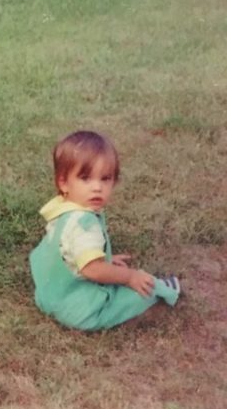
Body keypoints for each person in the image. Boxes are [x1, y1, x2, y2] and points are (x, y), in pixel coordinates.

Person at [29, 130, 181, 331]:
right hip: (78, 309)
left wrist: (103, 258)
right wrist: (129, 277)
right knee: (139, 292)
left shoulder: (62, 208)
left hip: (49, 294)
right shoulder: (85, 224)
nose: (97, 188)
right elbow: (92, 270)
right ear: (63, 182)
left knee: (105, 269)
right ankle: (164, 290)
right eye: (85, 178)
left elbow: (67, 250)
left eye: (105, 178)